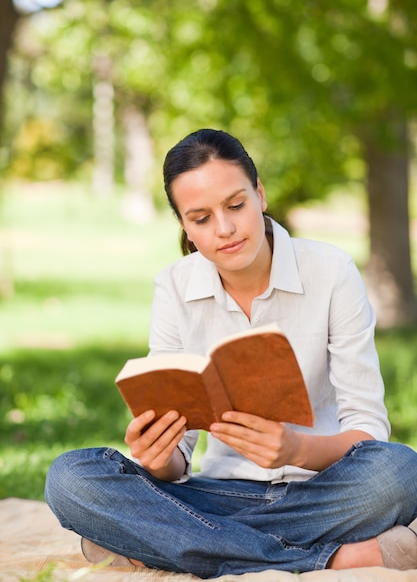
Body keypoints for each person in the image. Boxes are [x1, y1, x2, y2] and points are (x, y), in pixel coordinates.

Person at [45, 128, 417, 577]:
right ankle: (330, 557)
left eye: (236, 205)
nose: (224, 229)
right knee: (71, 477)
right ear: (184, 225)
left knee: (399, 471)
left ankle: (166, 543)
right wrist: (160, 456)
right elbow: (176, 457)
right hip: (217, 492)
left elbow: (368, 430)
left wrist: (296, 449)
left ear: (260, 196)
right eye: (200, 219)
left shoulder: (332, 271)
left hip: (325, 489)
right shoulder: (175, 286)